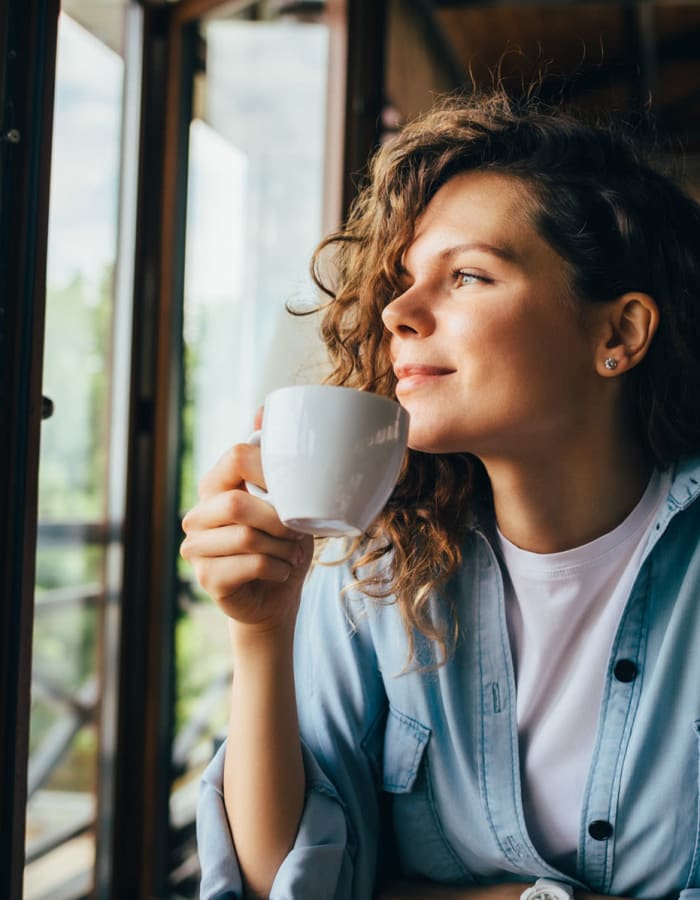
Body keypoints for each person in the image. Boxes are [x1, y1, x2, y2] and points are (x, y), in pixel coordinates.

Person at [180, 89, 700, 900]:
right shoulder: (374, 563)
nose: (397, 311)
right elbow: (286, 885)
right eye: (401, 280)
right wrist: (261, 635)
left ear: (618, 334)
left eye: (466, 275)